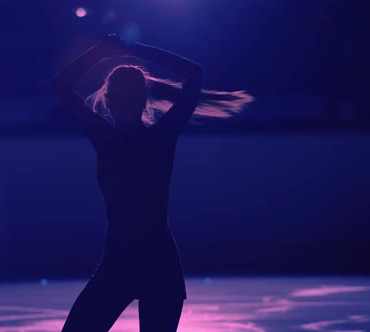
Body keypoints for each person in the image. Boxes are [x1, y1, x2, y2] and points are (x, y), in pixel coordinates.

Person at [54, 34, 252, 332]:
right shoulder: (160, 136)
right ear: (143, 97)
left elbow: (62, 83)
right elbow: (194, 73)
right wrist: (134, 49)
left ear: (106, 100)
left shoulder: (106, 137)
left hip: (125, 262)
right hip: (153, 263)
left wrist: (101, 53)